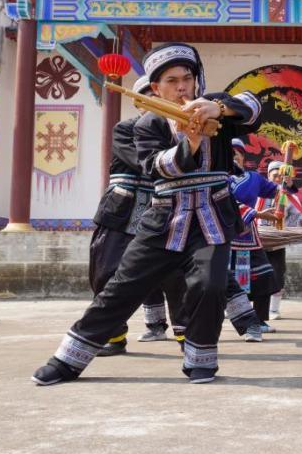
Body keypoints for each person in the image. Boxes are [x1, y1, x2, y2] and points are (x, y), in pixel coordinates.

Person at [32, 42, 262, 385]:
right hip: (164, 220)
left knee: (210, 285)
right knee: (120, 287)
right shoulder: (147, 125)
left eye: (187, 78)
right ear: (156, 87)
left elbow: (255, 108)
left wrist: (216, 108)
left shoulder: (216, 110)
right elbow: (157, 169)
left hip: (212, 219)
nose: (182, 87)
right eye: (172, 80)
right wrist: (191, 144)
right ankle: (68, 360)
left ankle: (200, 359)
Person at [88, 75, 187, 355]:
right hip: (122, 211)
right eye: (148, 97)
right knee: (106, 272)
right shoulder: (125, 129)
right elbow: (147, 163)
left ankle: (187, 337)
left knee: (176, 276)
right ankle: (113, 336)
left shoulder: (180, 133)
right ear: (139, 101)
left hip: (164, 211)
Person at [229, 140, 283, 332]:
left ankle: (259, 320)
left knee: (264, 276)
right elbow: (230, 203)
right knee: (228, 280)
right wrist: (259, 213)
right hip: (225, 236)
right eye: (230, 152)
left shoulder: (253, 178)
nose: (234, 155)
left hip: (249, 237)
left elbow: (275, 190)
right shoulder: (220, 179)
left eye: (238, 152)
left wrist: (283, 185)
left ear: (244, 156)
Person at [261, 160, 302, 321]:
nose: (277, 179)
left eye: (280, 176)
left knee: (277, 274)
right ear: (268, 176)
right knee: (253, 275)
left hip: (276, 243)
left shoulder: (288, 197)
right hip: (255, 242)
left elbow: (296, 219)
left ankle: (274, 310)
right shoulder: (257, 194)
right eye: (274, 176)